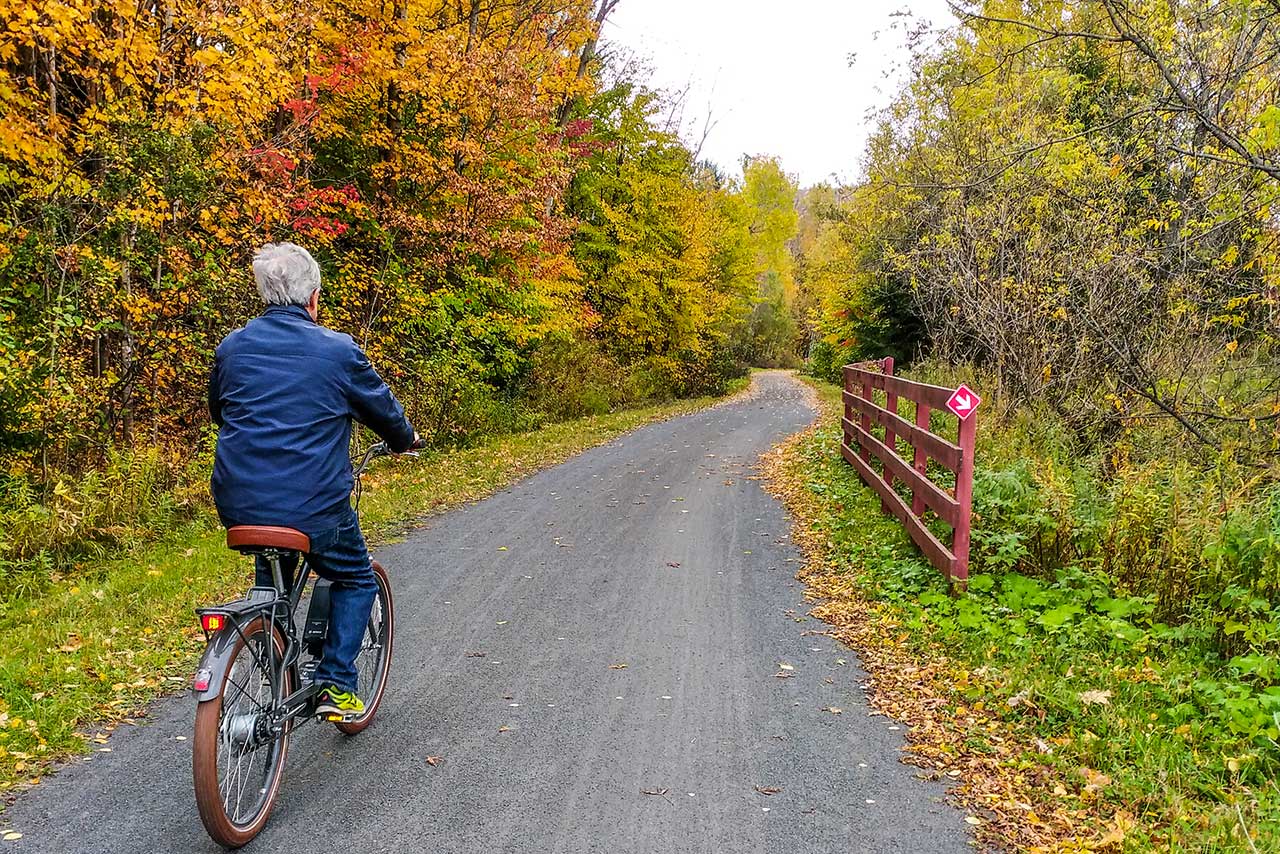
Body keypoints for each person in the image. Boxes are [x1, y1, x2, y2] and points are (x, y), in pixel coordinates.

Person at [207, 242, 418, 719]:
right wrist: (406, 440)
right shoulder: (338, 352)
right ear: (314, 298)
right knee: (356, 576)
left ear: (264, 294)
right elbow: (384, 413)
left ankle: (268, 647)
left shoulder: (232, 348)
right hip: (314, 504)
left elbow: (220, 411)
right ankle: (335, 684)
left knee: (272, 574)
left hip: (239, 501)